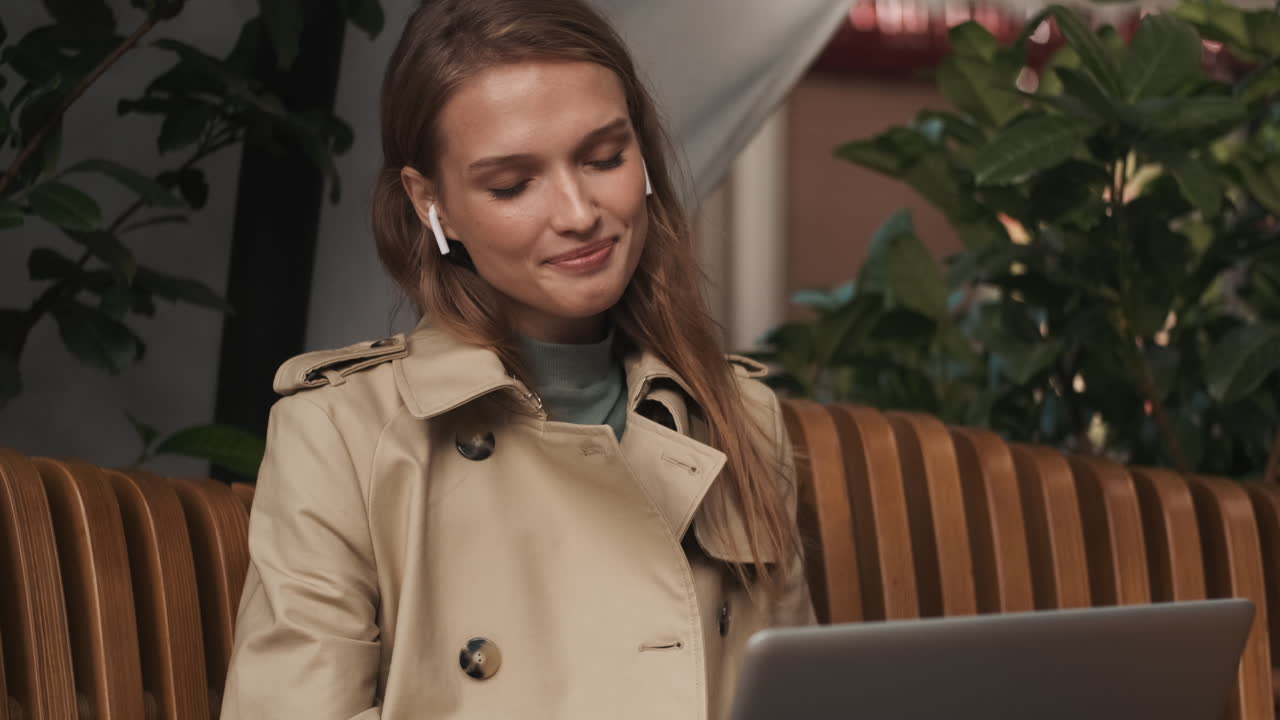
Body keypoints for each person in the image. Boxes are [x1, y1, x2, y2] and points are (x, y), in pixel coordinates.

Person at [219, 0, 815, 717]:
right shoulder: (342, 435)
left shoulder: (738, 417)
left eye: (605, 157)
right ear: (431, 203)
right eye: (512, 184)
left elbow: (798, 697)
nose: (578, 212)